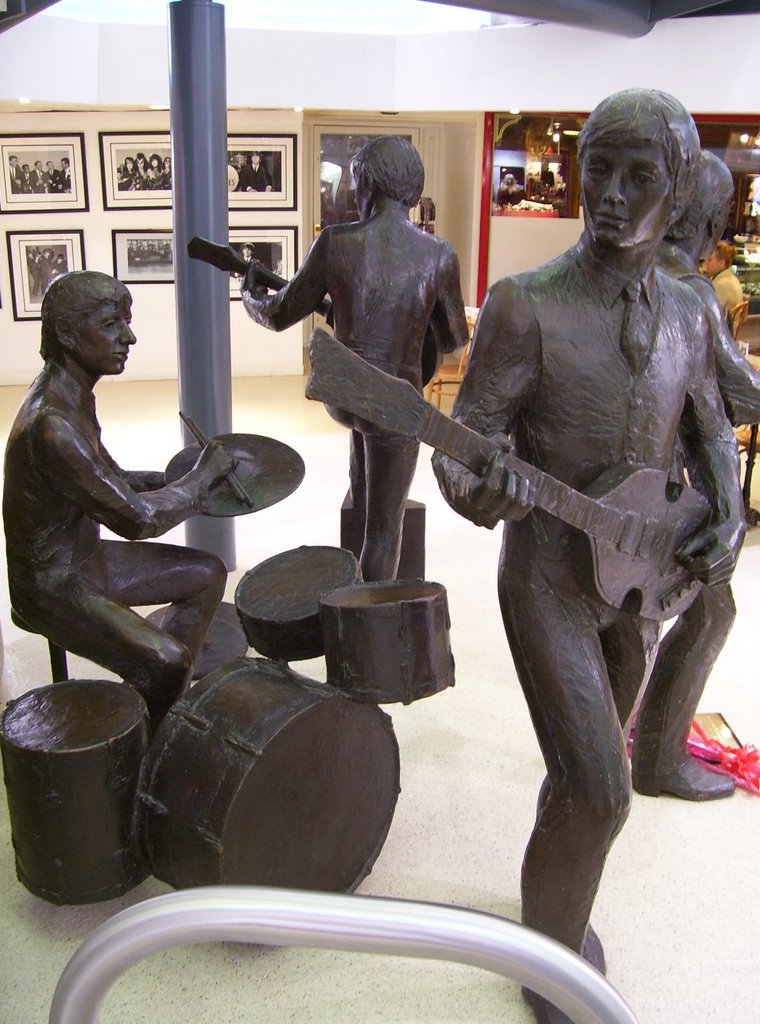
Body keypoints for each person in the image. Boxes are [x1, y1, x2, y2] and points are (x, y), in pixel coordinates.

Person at [432, 90, 745, 1024]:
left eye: (638, 176)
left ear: (679, 184)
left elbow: (713, 427)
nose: (608, 194)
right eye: (596, 168)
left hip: (639, 583)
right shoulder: (526, 307)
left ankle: (553, 917)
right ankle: (552, 964)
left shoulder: (691, 309)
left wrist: (726, 514)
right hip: (551, 583)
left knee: (583, 772)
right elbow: (463, 449)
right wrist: (480, 484)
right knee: (603, 793)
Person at [3, 271, 236, 732]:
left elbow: (111, 479)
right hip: (51, 584)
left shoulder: (72, 395)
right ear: (69, 334)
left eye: (125, 322)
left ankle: (158, 696)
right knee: (167, 662)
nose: (129, 337)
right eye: (112, 325)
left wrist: (179, 479)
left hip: (84, 557)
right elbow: (138, 519)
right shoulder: (52, 425)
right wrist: (199, 481)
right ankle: (157, 710)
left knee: (208, 573)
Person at [241, 135, 468, 581]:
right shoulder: (439, 255)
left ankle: (358, 598)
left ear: (364, 187)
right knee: (384, 531)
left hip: (346, 398)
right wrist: (412, 347)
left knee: (365, 484)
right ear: (413, 193)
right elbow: (453, 337)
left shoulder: (335, 242)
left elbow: (280, 313)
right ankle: (370, 623)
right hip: (397, 406)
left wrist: (250, 295)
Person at [635, 151, 760, 802]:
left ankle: (631, 742)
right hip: (662, 492)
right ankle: (652, 756)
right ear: (711, 219)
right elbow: (738, 398)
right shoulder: (692, 293)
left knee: (645, 616)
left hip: (629, 484)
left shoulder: (630, 275)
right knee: (707, 611)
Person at [702, 240, 744, 318]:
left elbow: (707, 314)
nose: (705, 263)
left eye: (710, 260)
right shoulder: (732, 279)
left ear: (721, 263)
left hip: (721, 329)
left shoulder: (722, 285)